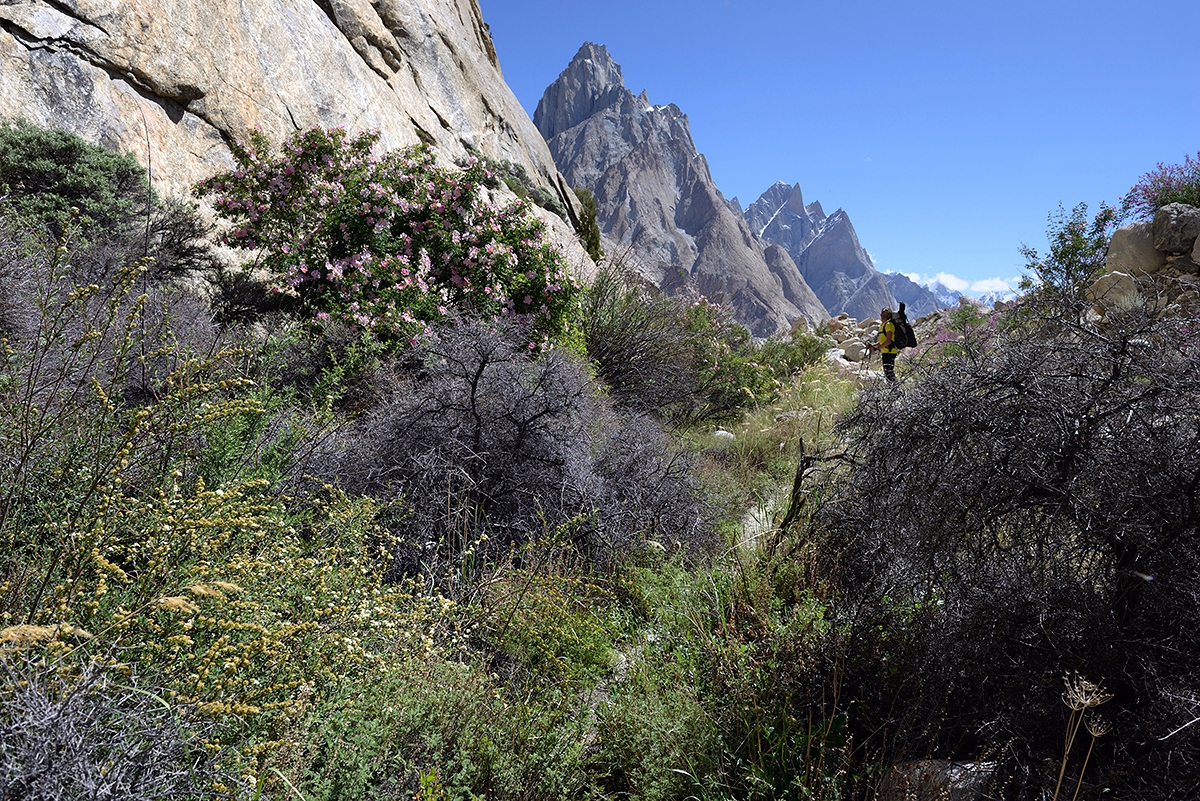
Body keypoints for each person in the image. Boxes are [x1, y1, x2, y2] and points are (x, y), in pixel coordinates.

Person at [870, 307, 898, 382]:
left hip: (890, 352)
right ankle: (893, 389)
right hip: (886, 352)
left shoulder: (889, 324)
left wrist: (878, 348)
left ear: (889, 315)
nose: (882, 313)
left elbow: (888, 341)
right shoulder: (883, 325)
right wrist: (874, 345)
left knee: (889, 373)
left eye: (884, 312)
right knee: (887, 372)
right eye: (882, 312)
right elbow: (883, 341)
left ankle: (895, 390)